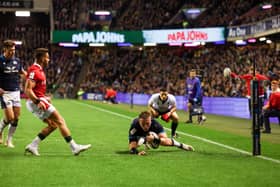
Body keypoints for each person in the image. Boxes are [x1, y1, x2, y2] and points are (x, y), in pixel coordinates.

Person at [24, 48, 91, 156]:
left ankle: (33, 145)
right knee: (60, 121)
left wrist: (44, 97)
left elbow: (35, 90)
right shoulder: (34, 70)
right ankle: (74, 147)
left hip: (39, 101)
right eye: (47, 57)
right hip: (36, 102)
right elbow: (28, 90)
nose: (48, 60)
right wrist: (38, 101)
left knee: (53, 125)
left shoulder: (38, 70)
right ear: (41, 58)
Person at [128, 111, 194, 156]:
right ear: (139, 121)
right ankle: (145, 141)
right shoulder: (134, 126)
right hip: (140, 135)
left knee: (162, 141)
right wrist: (137, 152)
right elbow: (132, 146)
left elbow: (165, 140)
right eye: (143, 124)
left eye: (148, 123)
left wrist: (155, 139)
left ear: (151, 120)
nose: (145, 126)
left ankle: (182, 145)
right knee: (139, 142)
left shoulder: (155, 124)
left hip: (152, 134)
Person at [0, 40, 27, 148]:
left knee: (16, 118)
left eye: (14, 50)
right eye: (10, 50)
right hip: (4, 93)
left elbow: (22, 72)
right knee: (10, 117)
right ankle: (0, 130)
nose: (13, 52)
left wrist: (29, 76)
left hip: (16, 92)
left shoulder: (17, 60)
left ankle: (9, 140)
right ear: (5, 49)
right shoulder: (0, 60)